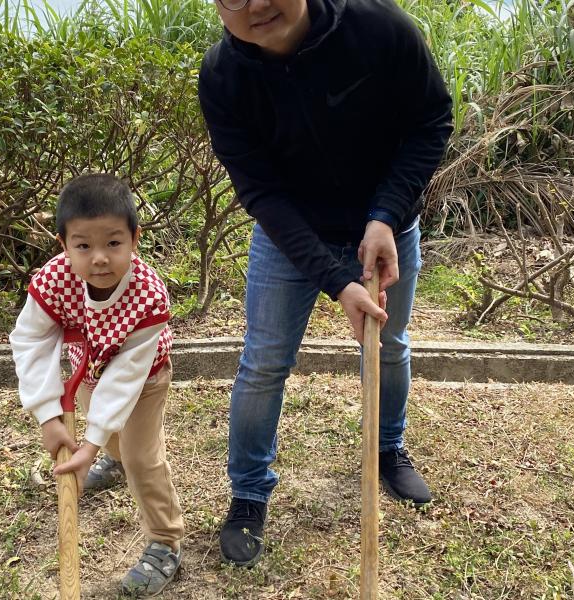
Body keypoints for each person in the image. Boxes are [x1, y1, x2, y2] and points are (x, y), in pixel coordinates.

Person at [197, 0, 453, 567]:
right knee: (263, 362)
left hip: (388, 228)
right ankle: (247, 494)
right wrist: (337, 280)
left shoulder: (379, 27)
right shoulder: (222, 78)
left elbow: (431, 120)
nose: (255, 5)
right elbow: (260, 192)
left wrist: (384, 215)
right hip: (289, 237)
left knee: (388, 346)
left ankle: (387, 450)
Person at [9, 174, 184, 596]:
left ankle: (165, 540)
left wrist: (87, 444)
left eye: (113, 243)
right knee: (109, 438)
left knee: (142, 458)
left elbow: (126, 377)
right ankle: (113, 456)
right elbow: (31, 341)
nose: (99, 258)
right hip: (86, 370)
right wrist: (48, 415)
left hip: (143, 379)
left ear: (134, 239)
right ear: (63, 244)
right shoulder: (52, 281)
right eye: (83, 245)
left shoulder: (149, 295)